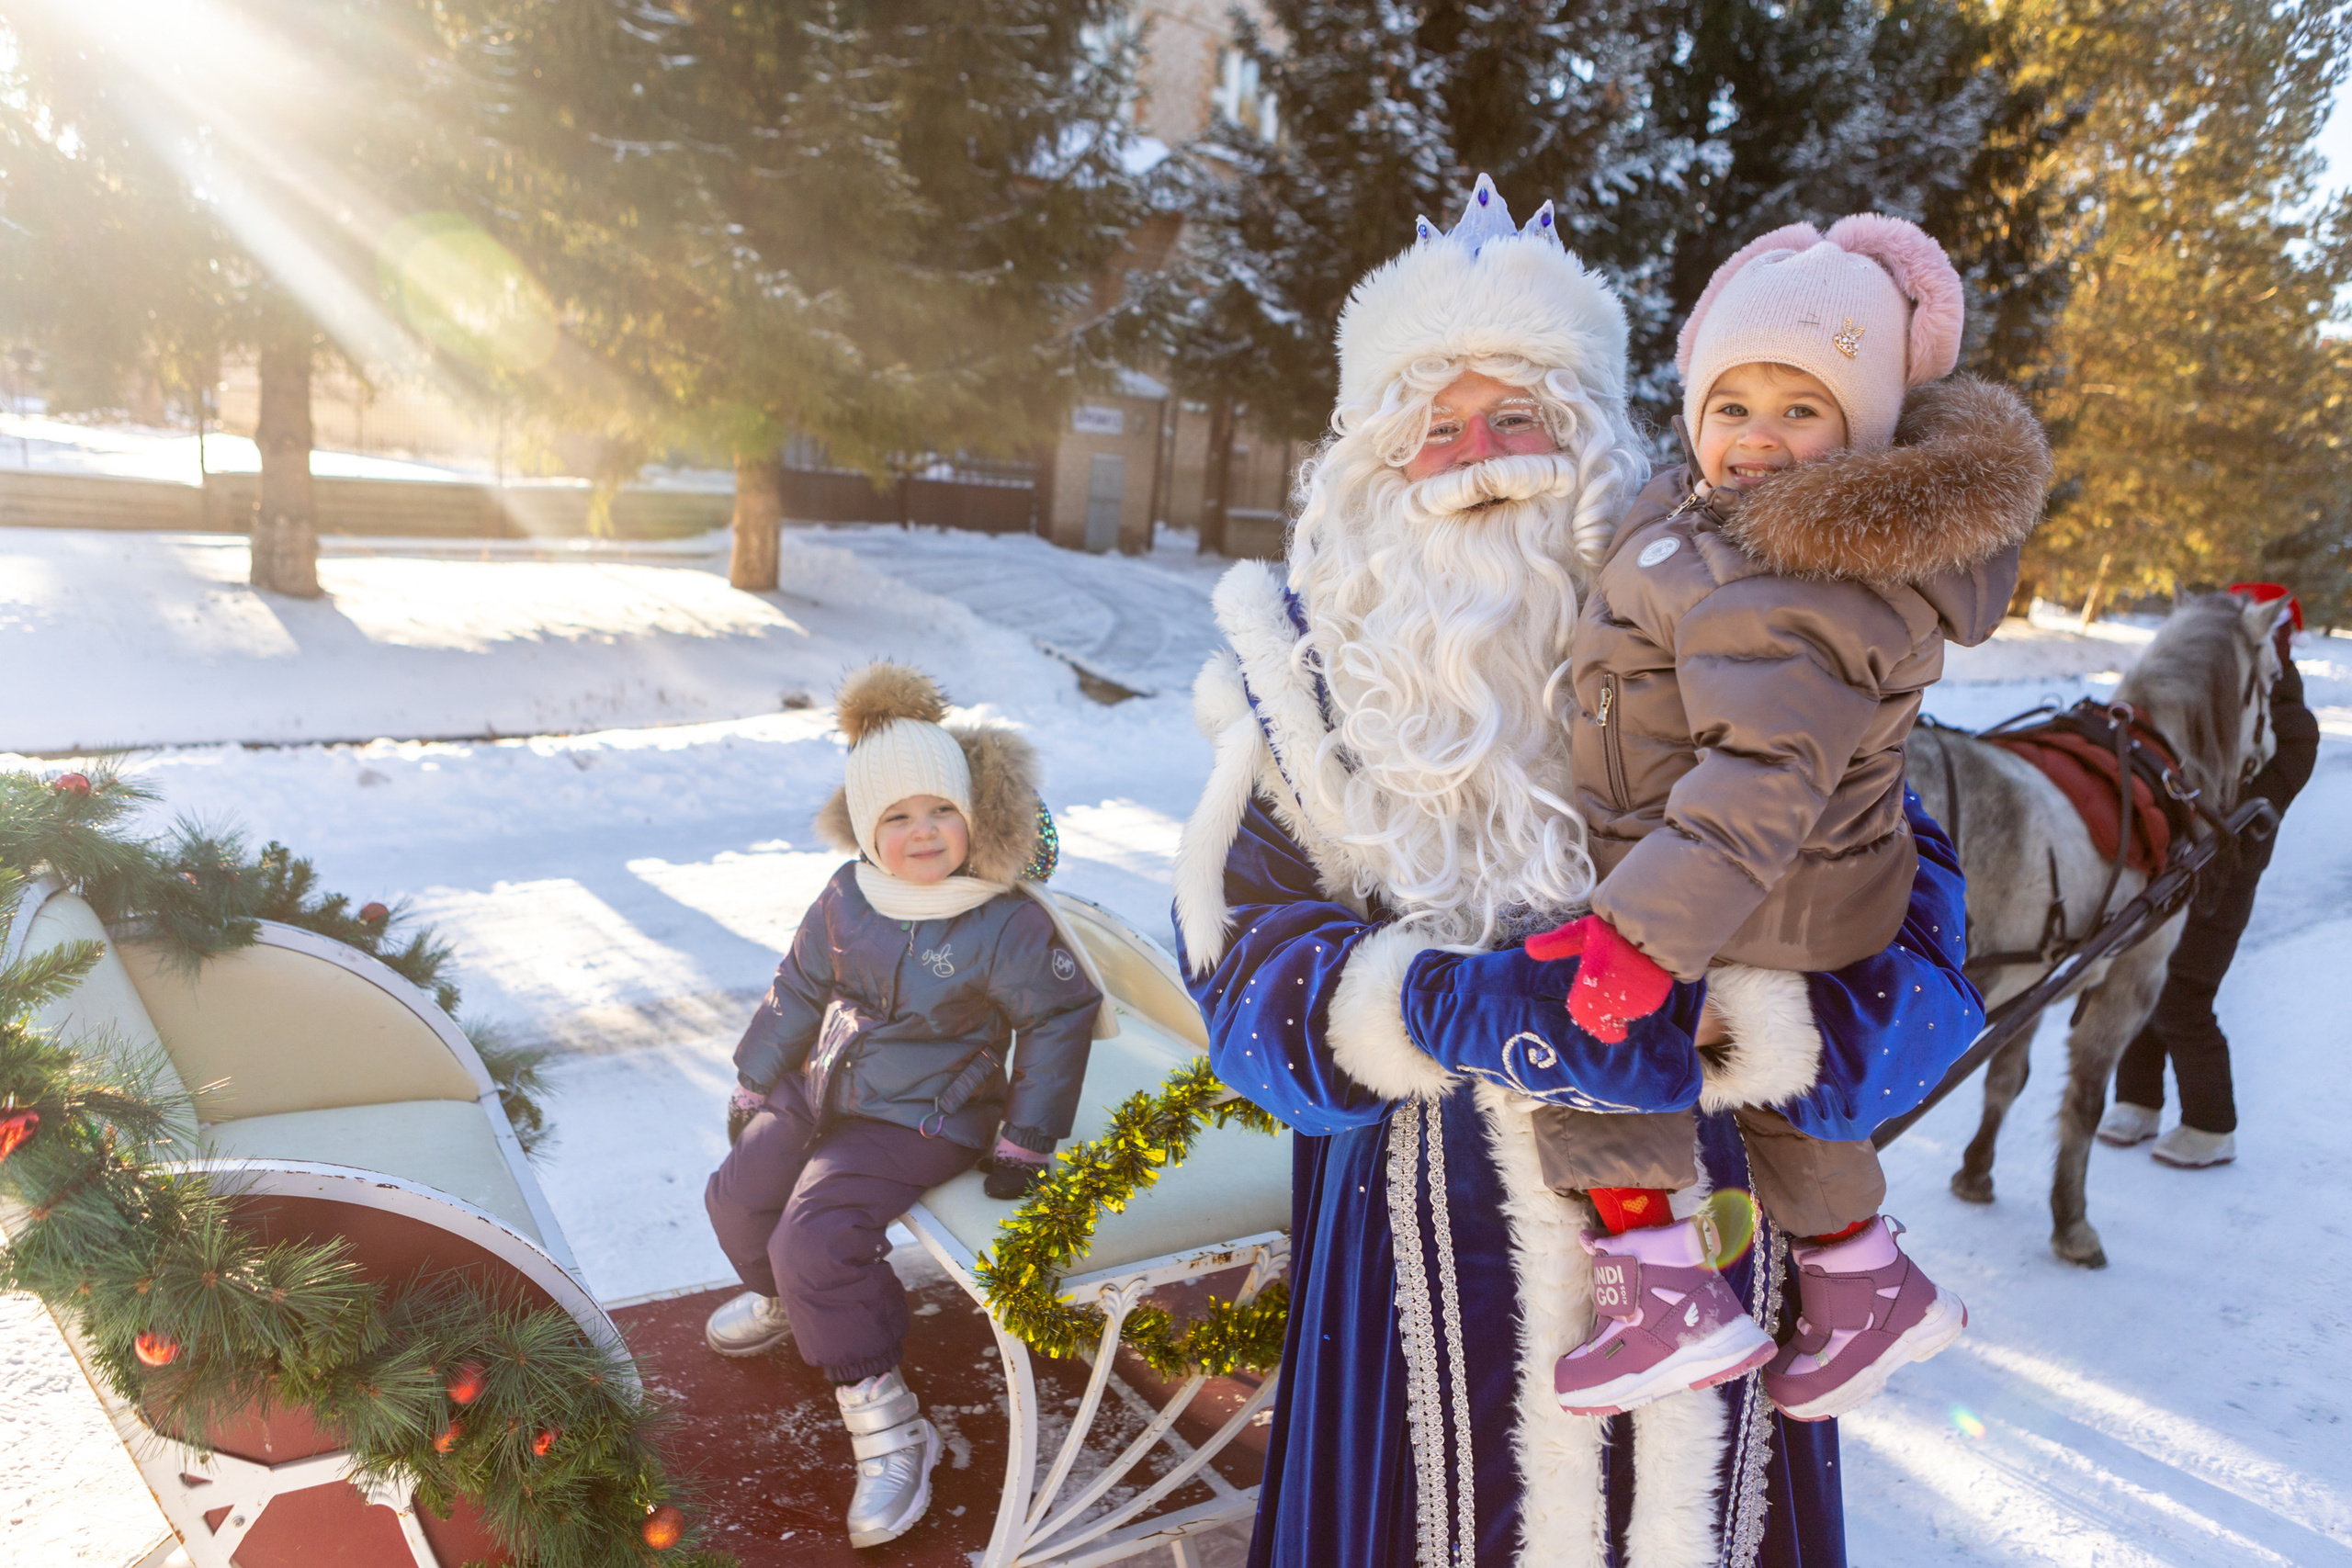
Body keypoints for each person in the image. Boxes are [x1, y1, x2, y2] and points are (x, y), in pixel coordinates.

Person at [1174, 175, 1987, 1568]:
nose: (1481, 459)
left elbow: (1912, 947)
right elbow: (1240, 978)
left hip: (1722, 1215)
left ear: (1599, 436)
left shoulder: (1759, 627)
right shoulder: (1296, 689)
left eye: (1522, 419)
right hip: (1414, 1259)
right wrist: (1433, 1005)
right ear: (1376, 463)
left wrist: (1756, 1028)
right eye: (1437, 429)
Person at [1534, 217, 2051, 1424]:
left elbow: (1759, 779)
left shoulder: (1788, 576)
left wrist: (1641, 936)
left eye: (1801, 410)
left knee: (1585, 1036)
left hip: (1753, 884)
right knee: (1785, 1082)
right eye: (1733, 406)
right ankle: (1862, 1273)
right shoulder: (1735, 534)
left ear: (1861, 431)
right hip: (1811, 882)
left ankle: (1658, 1289)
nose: (1759, 439)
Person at [701, 661, 1101, 1549]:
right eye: (896, 817)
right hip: (829, 1081)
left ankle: (890, 1423)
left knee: (816, 1234)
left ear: (972, 814)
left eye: (941, 811)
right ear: (865, 829)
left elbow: (1058, 1013)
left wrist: (1028, 1135)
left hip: (925, 1113)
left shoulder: (1002, 919)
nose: (922, 833)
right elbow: (801, 984)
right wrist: (757, 1072)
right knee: (735, 1194)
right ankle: (791, 1300)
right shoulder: (849, 894)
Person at [2101, 583, 2320, 1166]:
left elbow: (2264, 801)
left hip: (2223, 882)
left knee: (2183, 996)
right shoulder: (2195, 698)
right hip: (2164, 867)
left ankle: (2210, 1125)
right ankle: (2138, 1103)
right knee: (2138, 983)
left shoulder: (2290, 722)